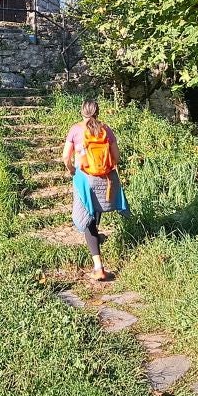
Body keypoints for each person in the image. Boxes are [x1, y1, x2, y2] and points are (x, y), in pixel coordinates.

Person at [62, 100, 128, 281]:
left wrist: (72, 170)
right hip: (104, 179)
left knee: (87, 217)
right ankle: (96, 239)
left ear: (81, 112)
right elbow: (116, 157)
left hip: (84, 178)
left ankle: (98, 267)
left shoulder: (75, 129)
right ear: (98, 112)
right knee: (95, 211)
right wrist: (104, 168)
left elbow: (65, 156)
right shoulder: (106, 129)